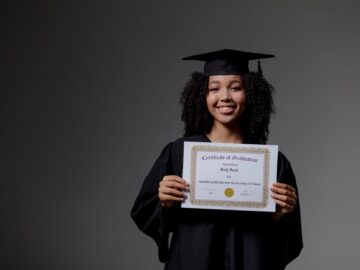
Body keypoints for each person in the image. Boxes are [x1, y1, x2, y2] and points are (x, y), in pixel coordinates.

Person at [131, 49, 303, 270]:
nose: (224, 97)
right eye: (214, 89)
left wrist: (279, 216)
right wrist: (164, 202)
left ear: (250, 92)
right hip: (193, 261)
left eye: (236, 88)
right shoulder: (179, 153)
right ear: (202, 95)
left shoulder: (270, 163)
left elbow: (287, 243)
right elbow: (145, 212)